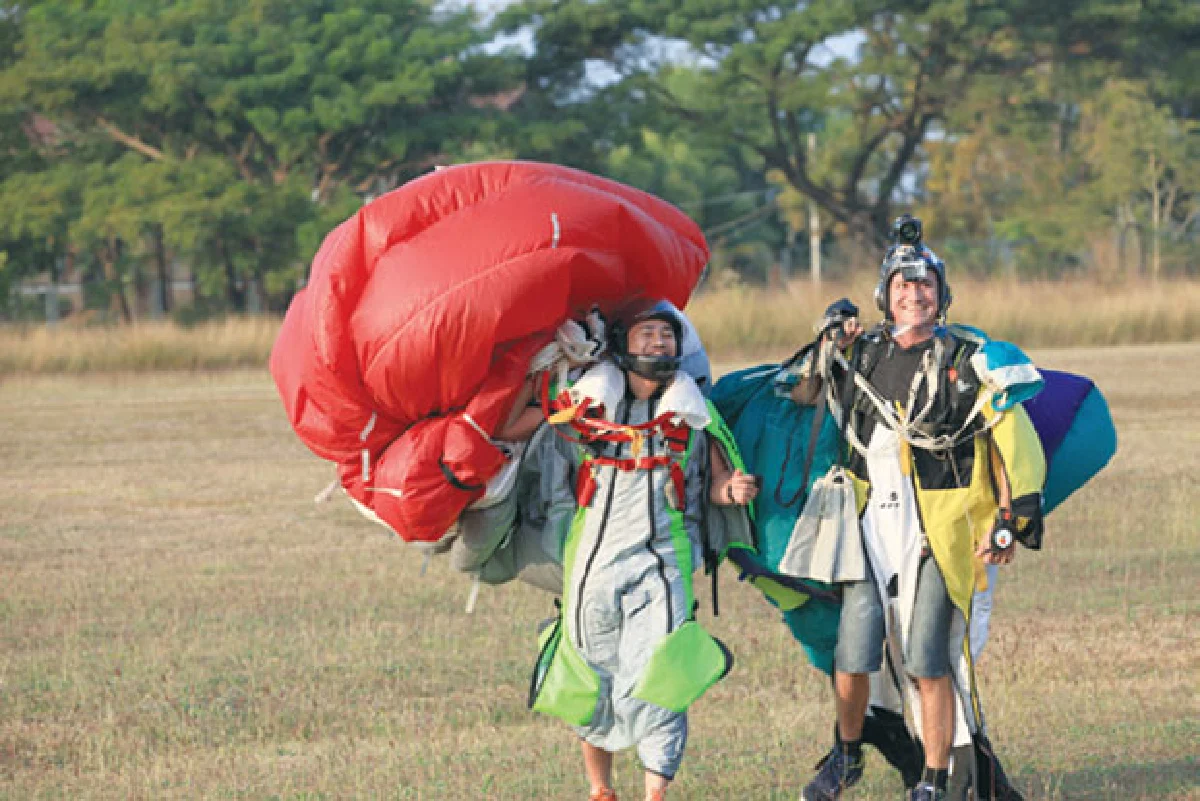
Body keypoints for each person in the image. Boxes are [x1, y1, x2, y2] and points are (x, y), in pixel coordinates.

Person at [797, 218, 1045, 801]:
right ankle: (849, 753)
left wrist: (1010, 524)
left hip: (941, 528)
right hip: (868, 528)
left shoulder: (972, 358)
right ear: (885, 295)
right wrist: (828, 337)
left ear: (942, 293)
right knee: (855, 654)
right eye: (903, 286)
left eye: (925, 284)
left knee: (928, 659)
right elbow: (803, 392)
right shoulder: (860, 355)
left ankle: (933, 783)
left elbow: (1013, 444)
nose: (915, 294)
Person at [527, 299, 759, 801]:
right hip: (594, 561)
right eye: (647, 334)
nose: (659, 343)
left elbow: (715, 485)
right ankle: (601, 790)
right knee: (591, 671)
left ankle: (656, 795)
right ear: (621, 346)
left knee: (665, 674)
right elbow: (539, 447)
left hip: (663, 562)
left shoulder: (694, 415)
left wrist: (733, 490)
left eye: (666, 334)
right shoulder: (584, 410)